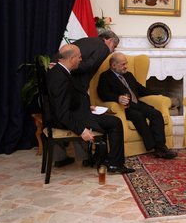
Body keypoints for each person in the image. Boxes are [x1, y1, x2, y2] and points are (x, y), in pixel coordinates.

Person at [47, 44, 134, 174]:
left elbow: (67, 99)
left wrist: (86, 106)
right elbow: (61, 112)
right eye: (79, 57)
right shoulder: (60, 76)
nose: (81, 60)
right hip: (72, 118)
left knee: (111, 121)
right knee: (115, 123)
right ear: (71, 59)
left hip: (78, 112)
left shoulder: (60, 71)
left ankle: (104, 159)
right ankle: (114, 163)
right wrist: (81, 130)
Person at [53, 30, 120, 167]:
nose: (113, 50)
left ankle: (61, 158)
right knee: (109, 122)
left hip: (68, 96)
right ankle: (92, 159)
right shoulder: (102, 47)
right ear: (108, 40)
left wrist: (63, 67)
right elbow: (89, 64)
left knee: (67, 110)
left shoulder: (86, 40)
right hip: (76, 89)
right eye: (114, 46)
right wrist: (69, 67)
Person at [97, 52, 177, 159]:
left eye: (126, 63)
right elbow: (103, 93)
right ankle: (153, 146)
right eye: (123, 64)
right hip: (123, 108)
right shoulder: (105, 76)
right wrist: (117, 98)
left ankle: (161, 146)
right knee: (138, 116)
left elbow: (140, 89)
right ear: (113, 65)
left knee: (156, 114)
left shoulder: (128, 75)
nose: (126, 66)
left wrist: (158, 94)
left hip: (136, 104)